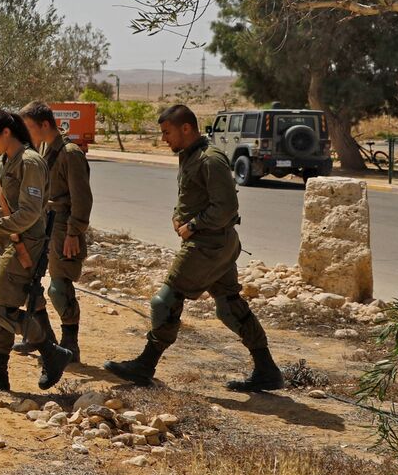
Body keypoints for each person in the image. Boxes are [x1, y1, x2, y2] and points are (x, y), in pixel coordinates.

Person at [104, 104, 283, 391]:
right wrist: (178, 216)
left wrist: (194, 225)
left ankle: (145, 365)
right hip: (213, 243)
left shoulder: (210, 160)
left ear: (186, 128)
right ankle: (267, 369)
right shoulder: (189, 157)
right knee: (229, 307)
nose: (164, 139)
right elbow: (192, 196)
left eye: (167, 132)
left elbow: (225, 207)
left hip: (208, 244)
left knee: (165, 300)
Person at [0, 109, 75, 392]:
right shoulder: (5, 162)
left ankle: (51, 351)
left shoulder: (30, 162)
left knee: (0, 308)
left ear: (7, 133)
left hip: (24, 244)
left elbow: (30, 213)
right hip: (3, 242)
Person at [13, 101, 92, 363]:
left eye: (29, 127)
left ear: (44, 124)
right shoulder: (44, 149)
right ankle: (45, 341)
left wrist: (73, 233)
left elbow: (82, 198)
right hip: (44, 222)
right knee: (32, 284)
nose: (27, 133)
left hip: (63, 225)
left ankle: (70, 345)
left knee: (59, 288)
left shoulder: (70, 153)